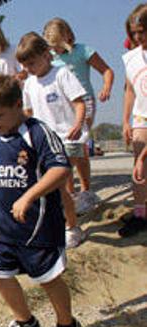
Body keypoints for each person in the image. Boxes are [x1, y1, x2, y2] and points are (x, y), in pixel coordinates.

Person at [0, 74, 82, 327]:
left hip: (38, 225)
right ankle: (25, 321)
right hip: (4, 227)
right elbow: (1, 165)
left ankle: (67, 326)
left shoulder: (37, 132)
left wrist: (29, 195)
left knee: (48, 278)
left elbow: (60, 170)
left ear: (17, 105)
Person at [16, 32, 86, 248]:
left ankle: (72, 228)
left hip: (67, 137)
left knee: (59, 185)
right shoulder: (29, 84)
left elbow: (80, 102)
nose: (28, 69)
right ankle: (61, 224)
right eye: (25, 65)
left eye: (32, 63)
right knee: (51, 187)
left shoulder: (62, 74)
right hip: (43, 142)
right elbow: (28, 113)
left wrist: (78, 124)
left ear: (46, 55)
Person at [43, 17, 115, 212]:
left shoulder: (83, 51)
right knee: (77, 149)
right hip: (62, 105)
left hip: (84, 102)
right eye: (52, 47)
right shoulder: (50, 57)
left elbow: (107, 70)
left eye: (58, 46)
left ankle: (81, 192)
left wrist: (106, 87)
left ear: (67, 36)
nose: (56, 50)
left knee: (74, 146)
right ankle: (76, 193)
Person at [120, 3, 147, 238]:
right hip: (142, 115)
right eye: (134, 33)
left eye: (142, 31)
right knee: (139, 164)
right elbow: (129, 89)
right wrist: (126, 121)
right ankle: (140, 214)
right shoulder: (131, 57)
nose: (138, 37)